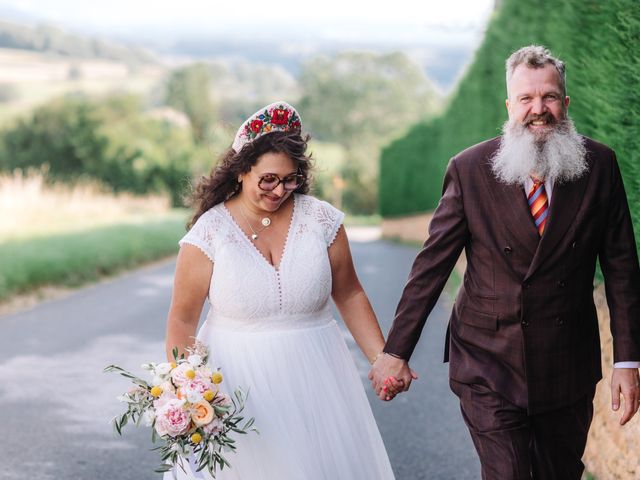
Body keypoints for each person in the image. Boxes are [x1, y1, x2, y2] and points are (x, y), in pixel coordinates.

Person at [369, 45, 640, 479]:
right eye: (527, 99)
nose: (539, 110)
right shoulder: (470, 169)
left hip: (566, 362)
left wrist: (628, 361)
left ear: (565, 104)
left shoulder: (600, 166)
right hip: (487, 360)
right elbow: (432, 266)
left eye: (549, 97)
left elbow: (623, 269)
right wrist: (395, 351)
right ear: (509, 106)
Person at [164, 101, 396, 479]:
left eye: (290, 180)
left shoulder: (321, 219)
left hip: (318, 378)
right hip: (238, 387)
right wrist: (187, 390)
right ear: (241, 170)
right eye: (268, 179)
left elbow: (350, 293)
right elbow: (182, 317)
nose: (279, 190)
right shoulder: (210, 232)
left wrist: (381, 359)